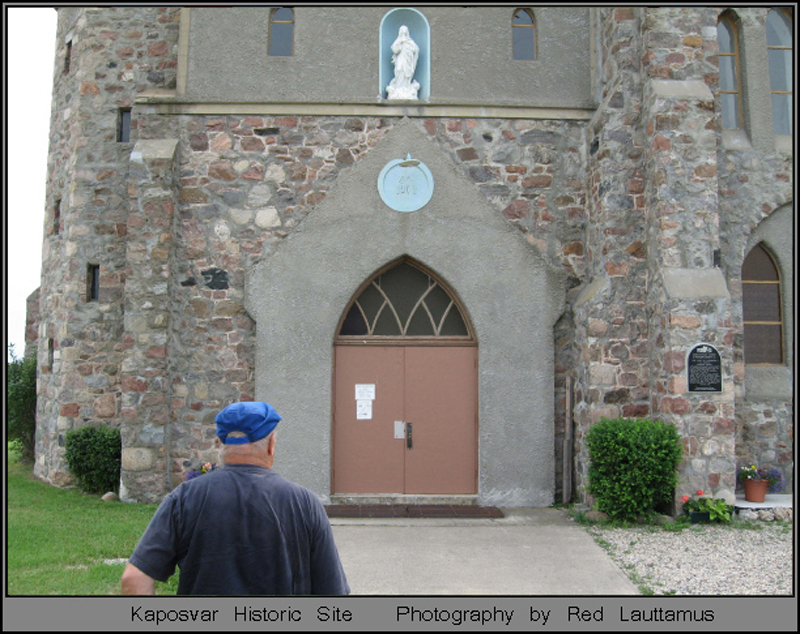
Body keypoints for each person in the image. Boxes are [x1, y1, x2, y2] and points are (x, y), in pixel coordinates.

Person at [121, 401, 350, 595]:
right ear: (271, 445)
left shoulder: (185, 498)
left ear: (221, 444)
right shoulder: (304, 503)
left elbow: (134, 578)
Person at [387, 25, 420, 99]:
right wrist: (400, 43)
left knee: (406, 73)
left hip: (408, 61)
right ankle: (399, 88)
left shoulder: (410, 42)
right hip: (400, 60)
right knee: (399, 70)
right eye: (402, 32)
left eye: (405, 32)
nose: (404, 33)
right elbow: (395, 49)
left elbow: (416, 49)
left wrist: (410, 47)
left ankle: (406, 87)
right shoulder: (398, 41)